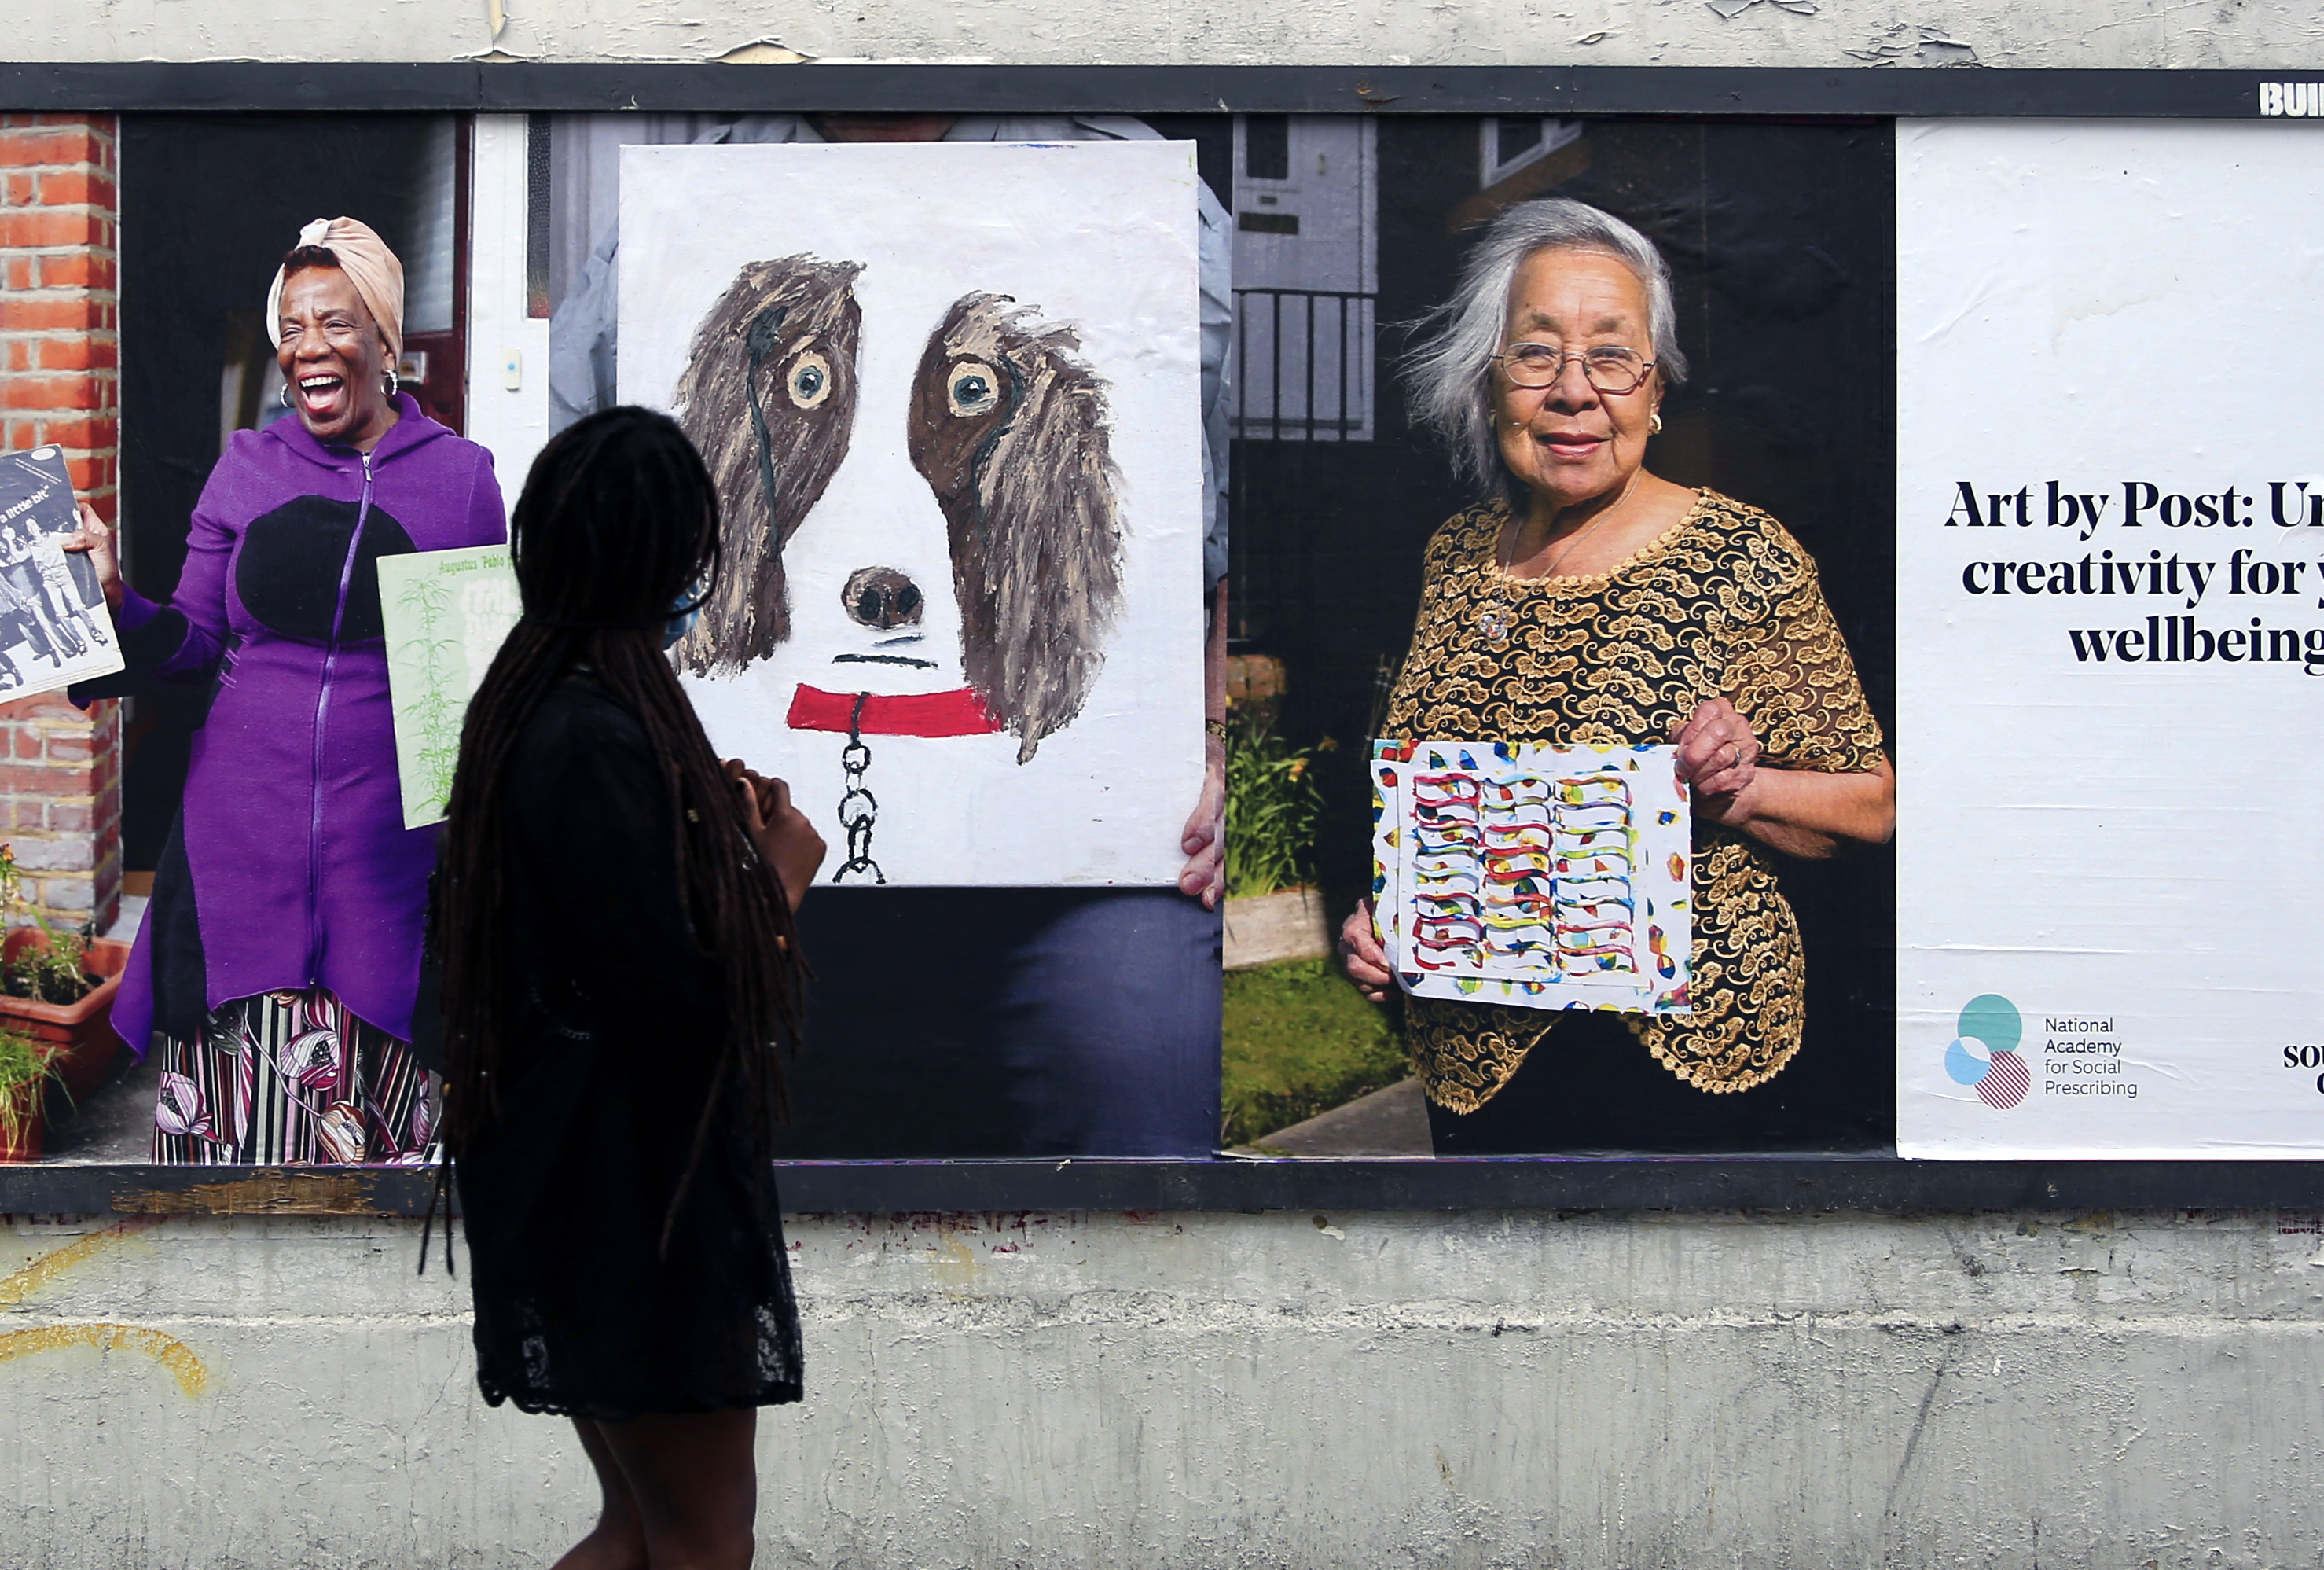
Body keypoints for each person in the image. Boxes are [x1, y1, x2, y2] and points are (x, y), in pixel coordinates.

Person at [263, 406, 823, 1570]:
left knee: (643, 1525)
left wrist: (707, 836)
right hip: (628, 1207)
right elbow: (677, 998)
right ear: (667, 559)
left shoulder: (556, 700)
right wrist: (772, 883)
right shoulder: (588, 726)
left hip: (590, 1195)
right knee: (705, 1539)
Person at [545, 114, 1233, 1156]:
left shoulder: (1138, 193)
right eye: (803, 385)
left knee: (1145, 1036)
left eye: (974, 396)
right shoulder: (689, 200)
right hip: (738, 833)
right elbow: (584, 552)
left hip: (1074, 856)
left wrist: (1214, 743)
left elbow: (1208, 543)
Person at [1336, 198, 1895, 1146]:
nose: (1573, 391)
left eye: (1611, 355)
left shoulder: (1739, 557)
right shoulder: (1455, 556)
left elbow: (1873, 805)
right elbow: (1439, 802)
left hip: (1679, 1073)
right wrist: (1393, 918)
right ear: (1489, 380)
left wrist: (1741, 788)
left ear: (1657, 389)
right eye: (1537, 352)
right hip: (1474, 1074)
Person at [66, 215, 505, 1165]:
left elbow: (473, 692)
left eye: (338, 324)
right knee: (235, 1151)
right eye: (294, 326)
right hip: (237, 840)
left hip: (388, 852)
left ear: (386, 344)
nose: (310, 346)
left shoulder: (462, 484)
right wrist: (114, 600)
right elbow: (189, 646)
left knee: (376, 1134)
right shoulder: (245, 468)